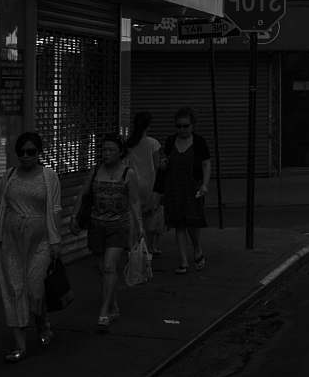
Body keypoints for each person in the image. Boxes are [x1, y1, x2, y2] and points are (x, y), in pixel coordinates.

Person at [0, 132, 63, 362]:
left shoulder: (49, 177)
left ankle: (42, 322)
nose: (25, 156)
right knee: (14, 289)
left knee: (34, 289)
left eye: (31, 151)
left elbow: (56, 210)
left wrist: (55, 241)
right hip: (11, 242)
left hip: (39, 243)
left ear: (39, 152)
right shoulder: (9, 175)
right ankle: (19, 345)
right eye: (21, 152)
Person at [79, 132, 144, 331]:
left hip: (118, 226)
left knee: (109, 266)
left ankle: (104, 311)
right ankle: (113, 304)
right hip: (96, 225)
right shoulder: (96, 170)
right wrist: (74, 217)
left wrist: (139, 227)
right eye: (104, 149)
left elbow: (134, 201)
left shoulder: (128, 174)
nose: (106, 153)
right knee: (103, 269)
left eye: (111, 150)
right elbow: (84, 194)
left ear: (120, 153)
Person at [158, 106, 211, 275]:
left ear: (192, 125)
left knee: (192, 222)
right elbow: (164, 161)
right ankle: (183, 262)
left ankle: (197, 248)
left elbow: (206, 163)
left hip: (193, 187)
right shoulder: (170, 141)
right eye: (178, 126)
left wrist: (205, 184)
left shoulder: (199, 142)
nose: (182, 129)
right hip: (174, 187)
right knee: (178, 224)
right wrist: (163, 164)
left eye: (185, 126)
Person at [126, 110, 163, 255]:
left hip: (133, 183)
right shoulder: (153, 143)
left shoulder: (129, 143)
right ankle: (151, 247)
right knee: (153, 216)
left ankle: (135, 246)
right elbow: (157, 165)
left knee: (136, 216)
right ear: (149, 126)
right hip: (150, 184)